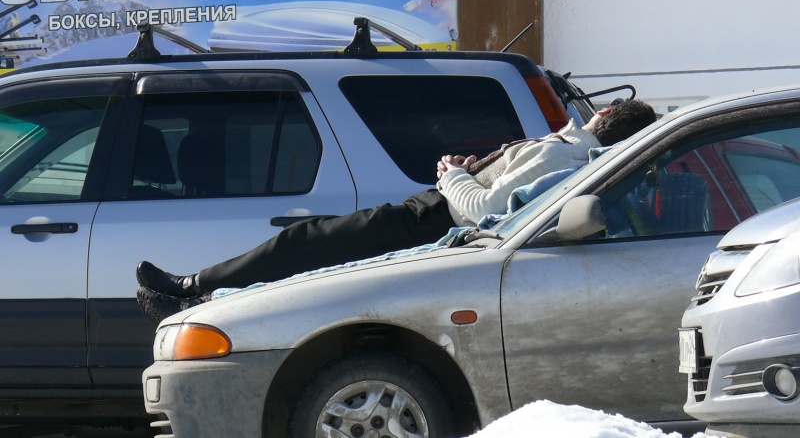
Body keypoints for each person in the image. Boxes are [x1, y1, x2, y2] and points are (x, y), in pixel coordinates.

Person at [136, 99, 657, 323]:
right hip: (430, 212)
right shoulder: (570, 151)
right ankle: (197, 298)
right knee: (309, 255)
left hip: (431, 221)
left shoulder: (564, 153)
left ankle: (191, 291)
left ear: (604, 114)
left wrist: (451, 176)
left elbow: (484, 209)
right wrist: (469, 171)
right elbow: (499, 191)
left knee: (305, 246)